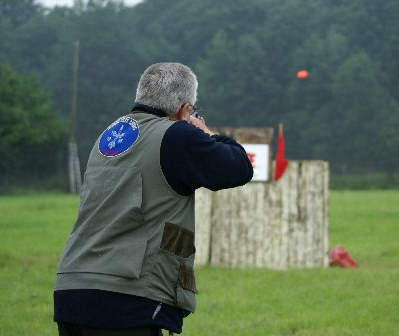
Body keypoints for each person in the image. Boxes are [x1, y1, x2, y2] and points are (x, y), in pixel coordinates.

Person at [53, 62, 253, 336]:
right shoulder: (177, 135)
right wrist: (204, 131)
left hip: (71, 290)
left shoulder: (109, 136)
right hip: (127, 298)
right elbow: (238, 167)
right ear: (184, 109)